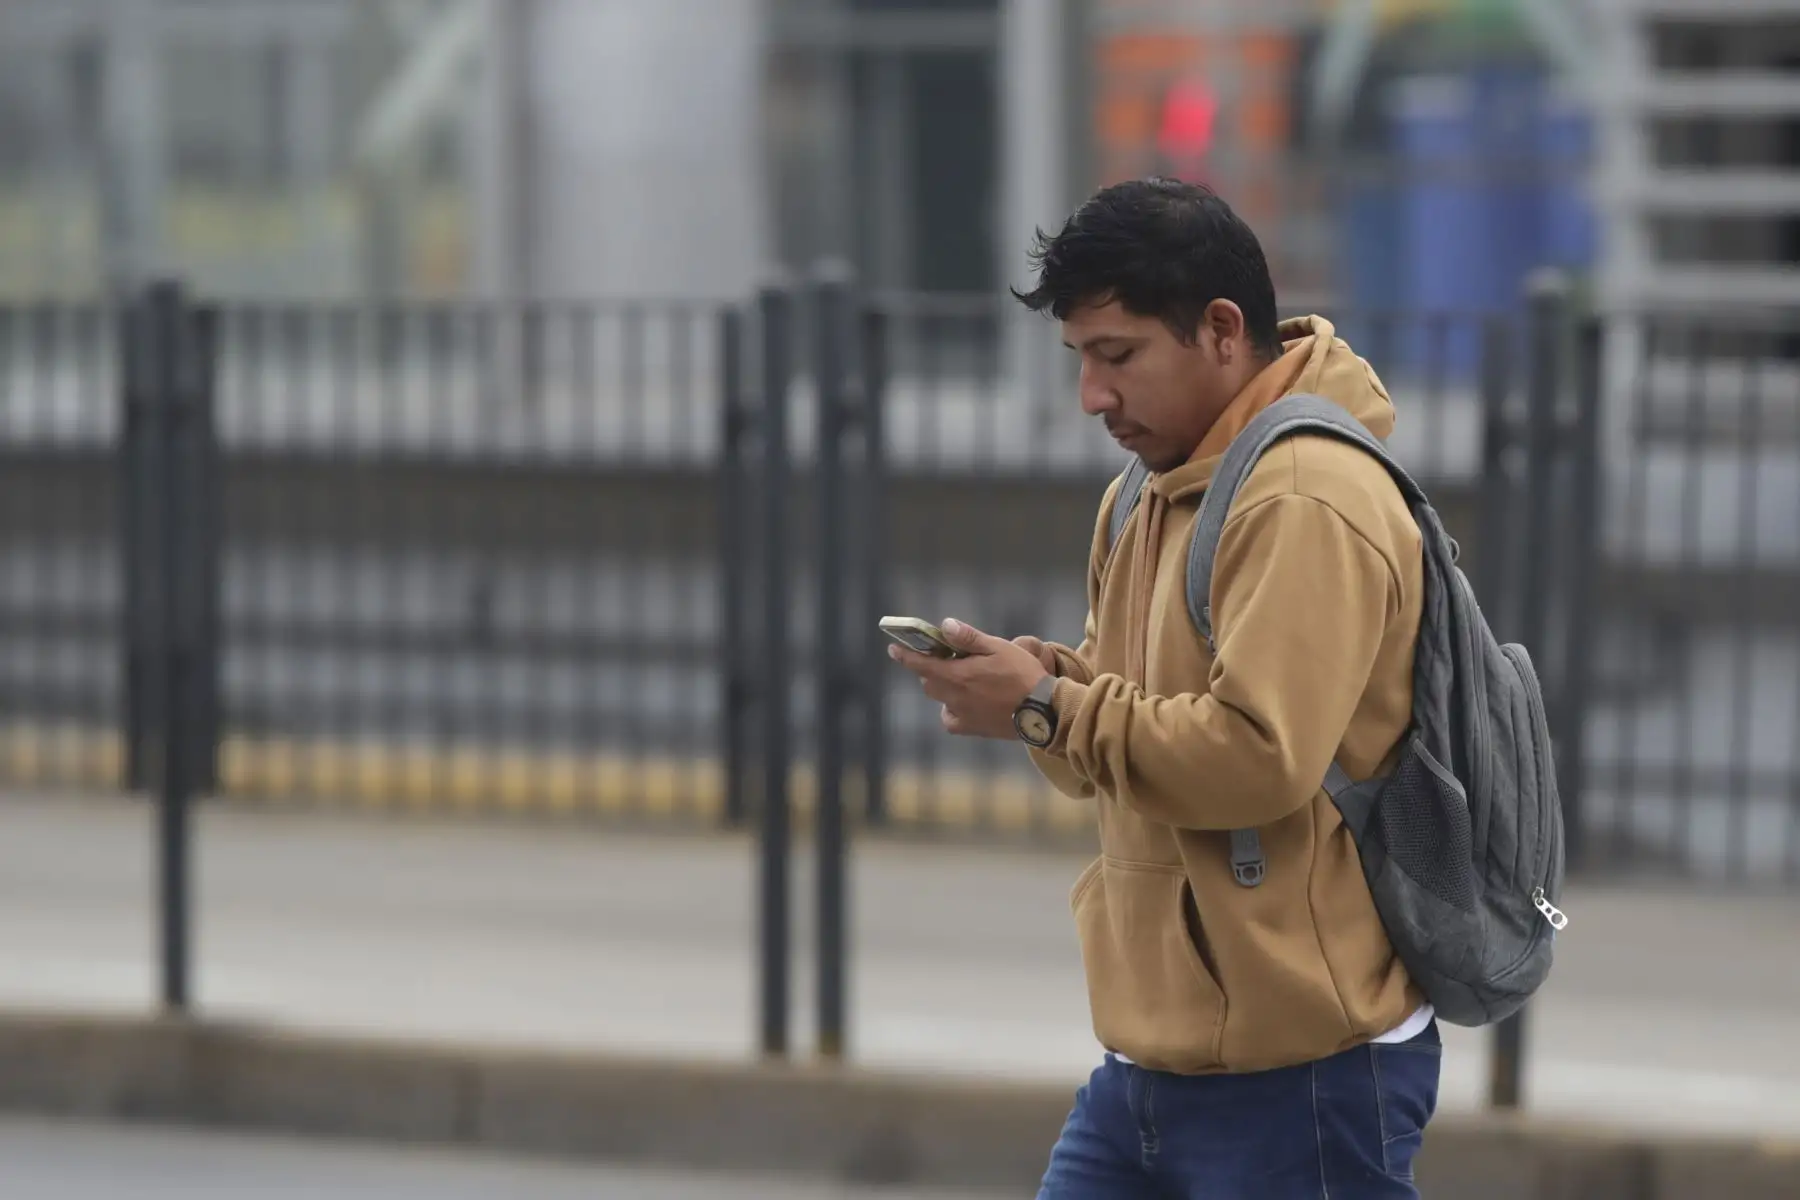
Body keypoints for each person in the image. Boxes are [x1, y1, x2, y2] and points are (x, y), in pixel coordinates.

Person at [885, 178, 1439, 1198]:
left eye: (1118, 356)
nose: (1093, 397)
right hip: (1149, 1067)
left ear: (1223, 330)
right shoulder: (1145, 489)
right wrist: (1039, 688)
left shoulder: (1311, 494)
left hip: (1304, 1069)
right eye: (1080, 361)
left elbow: (1256, 760)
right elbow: (1128, 743)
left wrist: (1049, 709)